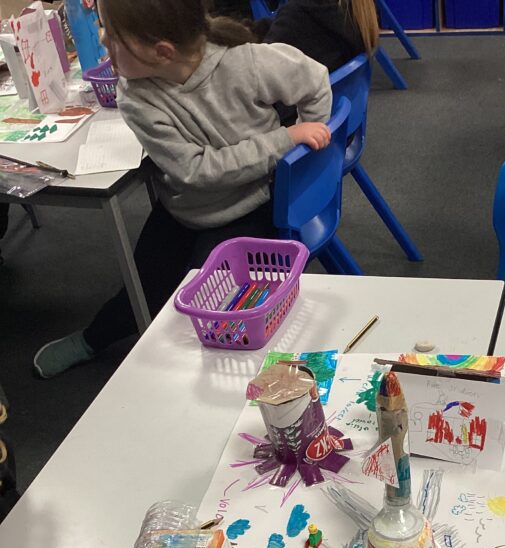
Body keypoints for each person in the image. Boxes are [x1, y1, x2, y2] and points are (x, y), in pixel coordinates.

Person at [34, 0, 332, 378]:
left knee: (213, 306)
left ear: (162, 52)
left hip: (250, 206)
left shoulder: (245, 61)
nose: (101, 38)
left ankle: (211, 379)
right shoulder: (136, 96)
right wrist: (284, 140)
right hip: (186, 208)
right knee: (145, 284)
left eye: (112, 34)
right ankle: (95, 338)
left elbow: (315, 80)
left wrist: (300, 164)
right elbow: (196, 171)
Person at [209, 0, 378, 72]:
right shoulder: (352, 10)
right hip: (328, 117)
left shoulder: (299, 15)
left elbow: (255, 71)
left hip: (291, 121)